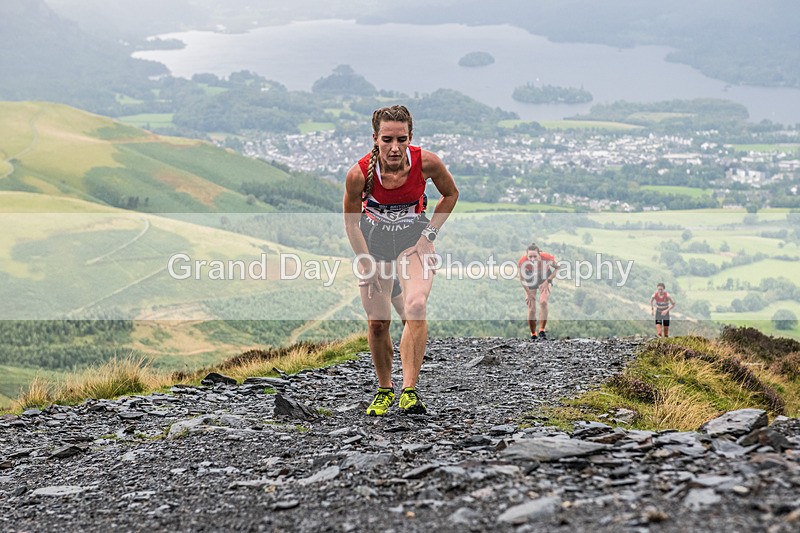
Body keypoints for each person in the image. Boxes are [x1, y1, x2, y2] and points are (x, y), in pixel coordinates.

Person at [343, 105, 458, 416]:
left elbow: (450, 195)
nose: (394, 147)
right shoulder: (359, 174)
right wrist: (365, 262)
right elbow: (352, 223)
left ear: (411, 138)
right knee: (379, 323)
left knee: (416, 306)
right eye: (387, 139)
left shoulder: (427, 163)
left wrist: (429, 236)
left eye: (401, 139)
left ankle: (409, 390)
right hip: (375, 244)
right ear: (375, 138)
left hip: (413, 241)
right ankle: (384, 390)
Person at [518, 243, 558, 341]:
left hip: (545, 276)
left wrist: (548, 281)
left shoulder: (546, 258)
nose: (532, 259)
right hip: (530, 277)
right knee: (532, 308)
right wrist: (528, 293)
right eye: (530, 257)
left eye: (535, 256)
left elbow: (558, 267)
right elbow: (522, 279)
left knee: (543, 302)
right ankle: (533, 334)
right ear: (526, 256)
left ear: (539, 254)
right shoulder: (523, 262)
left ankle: (541, 330)